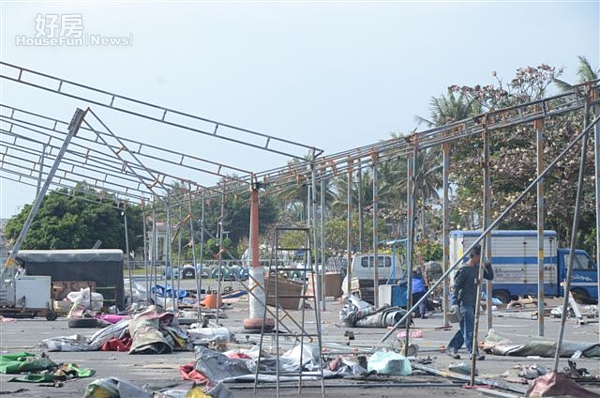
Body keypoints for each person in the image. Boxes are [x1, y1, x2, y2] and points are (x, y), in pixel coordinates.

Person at [447, 244, 493, 360]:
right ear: (475, 256)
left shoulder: (478, 268)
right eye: (481, 256)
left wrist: (488, 265)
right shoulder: (464, 270)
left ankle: (452, 347)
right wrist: (454, 303)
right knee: (470, 329)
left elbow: (490, 276)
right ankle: (473, 353)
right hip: (464, 303)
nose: (482, 258)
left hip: (474, 303)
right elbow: (455, 288)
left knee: (466, 328)